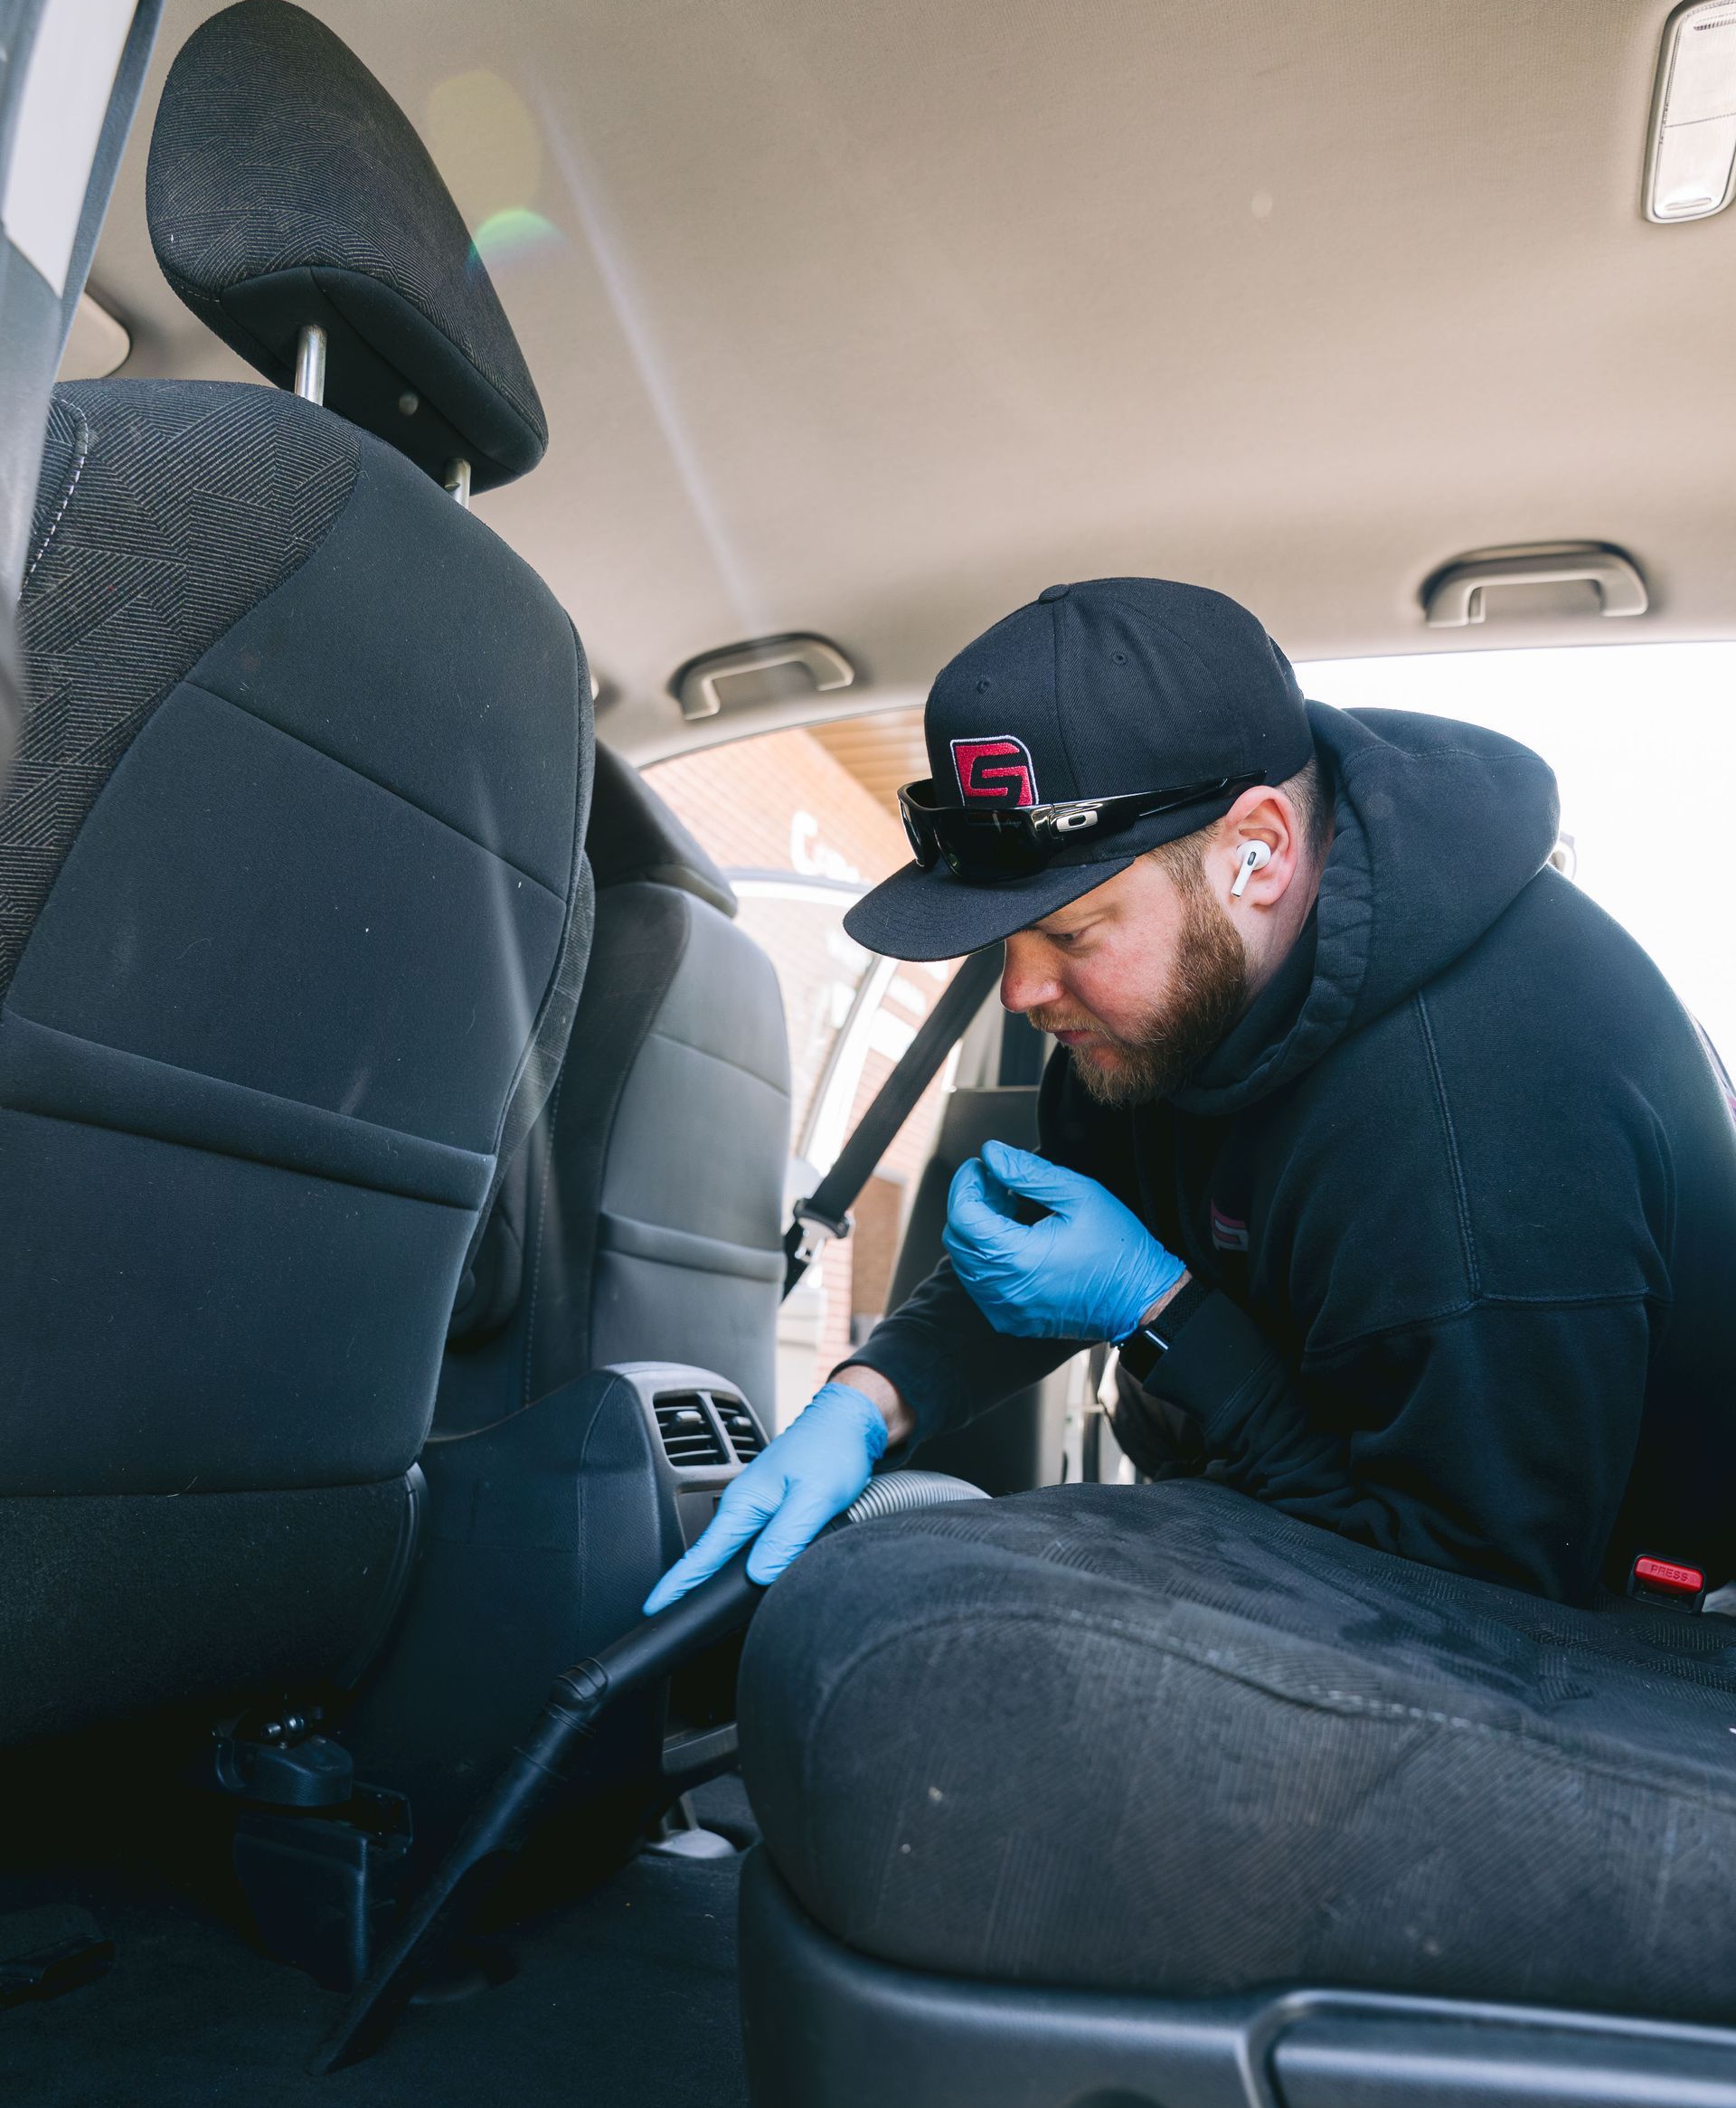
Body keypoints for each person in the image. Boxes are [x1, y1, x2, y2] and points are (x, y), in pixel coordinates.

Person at [647, 577, 1736, 1612]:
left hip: (1609, 1651)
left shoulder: (1478, 1123)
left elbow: (1470, 1596)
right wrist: (868, 1397)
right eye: (1004, 945)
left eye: (1071, 933)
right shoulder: (1191, 997)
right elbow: (1054, 1248)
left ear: (1254, 851)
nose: (1024, 990)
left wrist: (1164, 1316)